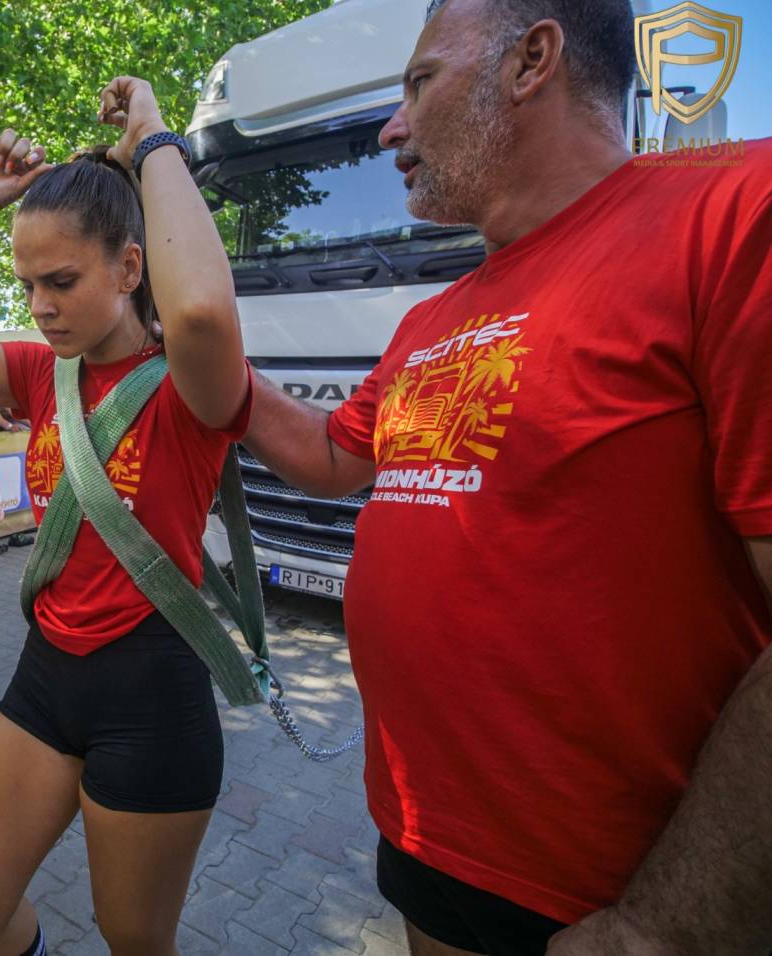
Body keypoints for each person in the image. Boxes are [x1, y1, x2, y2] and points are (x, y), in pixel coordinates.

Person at [239, 1, 772, 954]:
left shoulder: (735, 211)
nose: (390, 127)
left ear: (532, 62)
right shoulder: (432, 318)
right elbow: (329, 457)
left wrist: (663, 926)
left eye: (419, 84)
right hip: (425, 843)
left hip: (615, 897)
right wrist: (207, 366)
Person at [0, 77, 253, 956]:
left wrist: (155, 142)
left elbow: (198, 307)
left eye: (63, 281)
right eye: (28, 283)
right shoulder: (40, 372)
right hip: (47, 675)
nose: (39, 305)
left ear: (130, 268)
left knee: (133, 938)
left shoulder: (192, 380)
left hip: (153, 692)